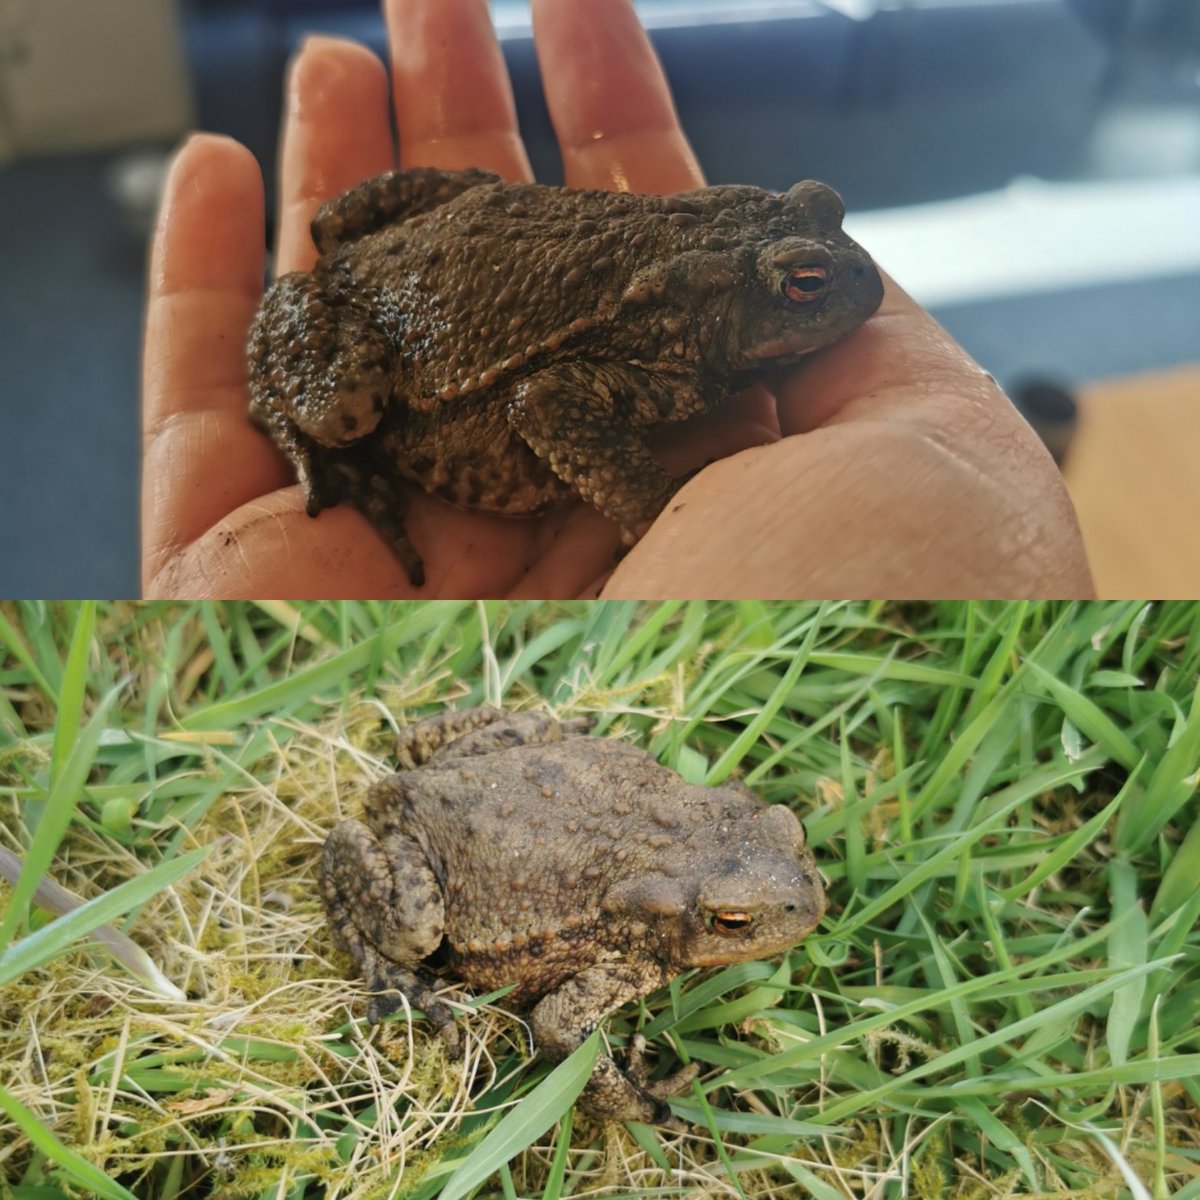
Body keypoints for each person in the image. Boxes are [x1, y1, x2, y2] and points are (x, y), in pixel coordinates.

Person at [141, 0, 1093, 598]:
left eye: (817, 250)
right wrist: (646, 501)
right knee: (339, 409)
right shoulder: (669, 343)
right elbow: (540, 399)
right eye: (805, 285)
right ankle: (302, 426)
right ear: (733, 304)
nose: (848, 280)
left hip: (464, 253)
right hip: (412, 359)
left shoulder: (682, 292)